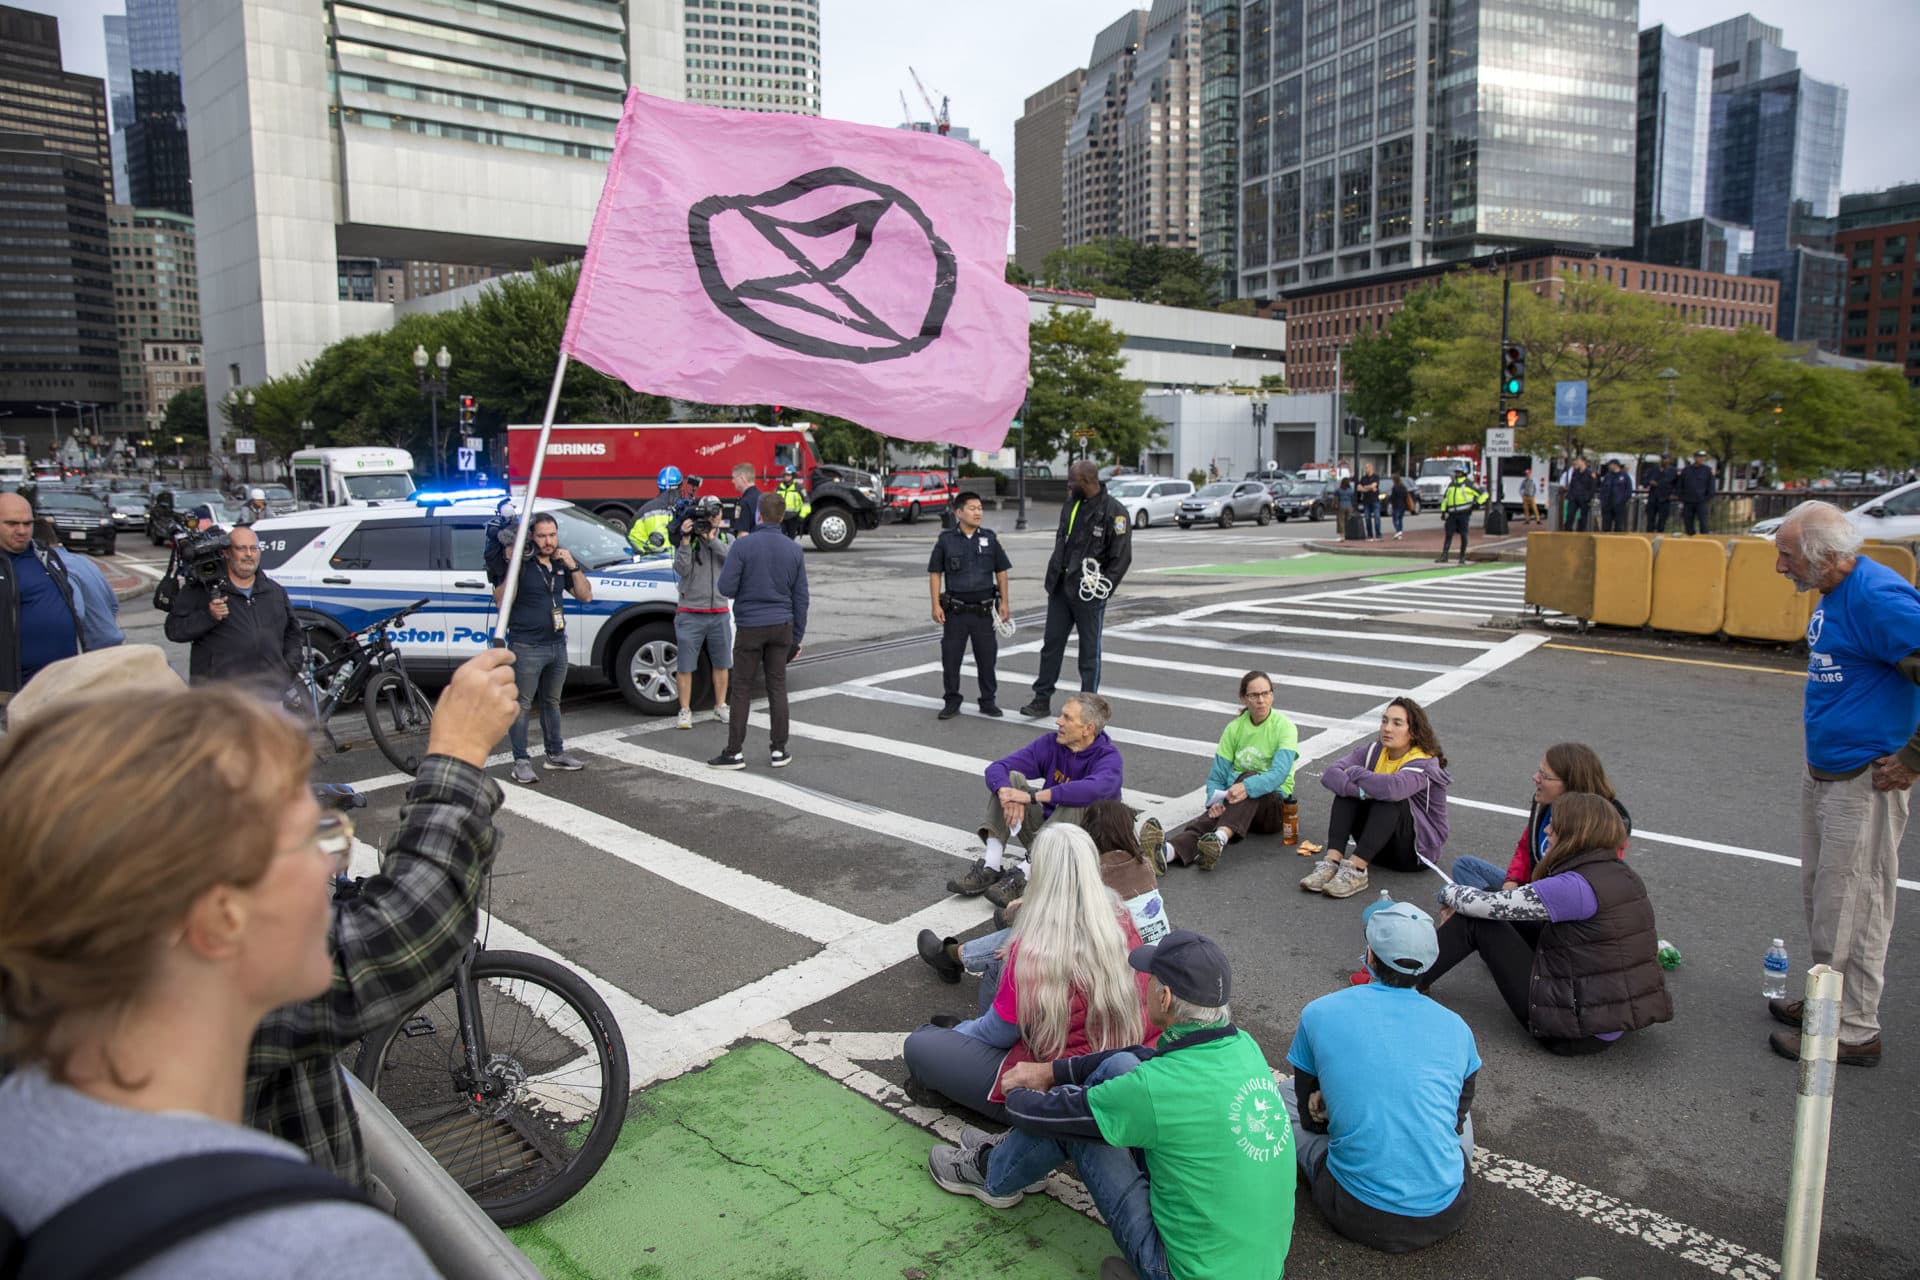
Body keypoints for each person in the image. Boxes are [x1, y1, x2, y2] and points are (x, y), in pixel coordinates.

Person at [0, 680, 440, 1276]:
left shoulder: (23, 1119)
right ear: (219, 918)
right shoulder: (322, 1253)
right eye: (309, 837)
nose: (334, 862)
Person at [933, 931, 1294, 1280]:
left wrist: (1017, 1087)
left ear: (1165, 997)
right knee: (1117, 1073)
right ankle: (1013, 1154)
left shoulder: (1158, 1088)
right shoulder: (1242, 1045)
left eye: (1149, 979)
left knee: (1079, 1126)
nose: (1144, 984)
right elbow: (1139, 1056)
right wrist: (1052, 1071)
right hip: (1259, 1268)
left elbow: (1042, 1113)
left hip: (1179, 1272)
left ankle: (993, 1174)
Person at [1768, 501, 1920, 1067]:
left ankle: (1852, 1029)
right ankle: (1827, 1002)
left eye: (1787, 555)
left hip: (1866, 779)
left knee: (1856, 902)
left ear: (1826, 557)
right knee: (1827, 899)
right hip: (1830, 772)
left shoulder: (1879, 598)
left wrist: (1913, 757)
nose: (1781, 567)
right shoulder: (1836, 593)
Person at [905, 824, 1158, 1126]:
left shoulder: (1035, 951)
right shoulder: (1119, 916)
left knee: (920, 1044)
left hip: (1055, 1084)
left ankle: (959, 1077)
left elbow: (995, 1033)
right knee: (998, 965)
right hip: (1124, 1056)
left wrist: (958, 1034)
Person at [1283, 900, 1479, 1252]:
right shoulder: (1458, 1029)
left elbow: (1313, 1118)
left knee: (1281, 1096)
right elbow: (1455, 1119)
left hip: (1357, 1210)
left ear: (1370, 955)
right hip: (1447, 1209)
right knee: (1453, 1113)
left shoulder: (1320, 1013)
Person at [1422, 793, 1673, 1055]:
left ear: (1575, 833)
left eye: (1554, 824)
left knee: (1475, 921)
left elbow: (1486, 906)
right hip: (1611, 1014)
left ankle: (1404, 980)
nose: (1546, 829)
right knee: (1505, 910)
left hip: (1573, 1030)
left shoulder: (1574, 886)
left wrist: (1446, 894)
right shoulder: (1621, 873)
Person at [920, 799, 1167, 1000]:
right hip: (1155, 968)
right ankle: (954, 957)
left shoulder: (1090, 874)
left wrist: (1017, 911)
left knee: (1022, 937)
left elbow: (1045, 918)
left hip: (1115, 974)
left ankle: (953, 956)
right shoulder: (1143, 865)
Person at [949, 692, 1124, 906]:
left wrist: (1031, 796)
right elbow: (998, 768)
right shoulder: (1052, 744)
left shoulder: (1108, 758)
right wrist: (1008, 794)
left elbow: (1093, 789)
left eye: (1067, 718)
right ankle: (991, 866)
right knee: (1009, 779)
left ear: (1087, 729)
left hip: (1083, 848)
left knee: (1076, 799)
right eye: (1061, 715)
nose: (1058, 721)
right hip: (1047, 837)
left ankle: (1027, 874)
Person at [1144, 670, 1298, 872]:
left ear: (1272, 695)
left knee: (1249, 778)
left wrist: (1245, 787)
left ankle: (1219, 839)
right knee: (1211, 815)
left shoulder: (1285, 727)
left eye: (1265, 693)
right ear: (1244, 698)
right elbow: (1217, 776)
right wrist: (1215, 801)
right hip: (1235, 802)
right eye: (1254, 695)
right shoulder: (1234, 728)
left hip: (1272, 808)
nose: (1261, 700)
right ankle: (1168, 852)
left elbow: (1279, 774)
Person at [1301, 697, 1451, 899]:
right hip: (1377, 847)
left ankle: (1356, 870)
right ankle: (1332, 861)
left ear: (1413, 731)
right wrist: (1361, 792)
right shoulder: (1374, 751)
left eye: (1397, 723)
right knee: (1347, 794)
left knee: (1390, 799)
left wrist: (1356, 772)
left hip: (1414, 854)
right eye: (1384, 721)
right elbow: (1330, 774)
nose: (1387, 728)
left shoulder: (1424, 763)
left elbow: (1392, 789)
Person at [1021, 460, 1131, 719]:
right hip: (1061, 588)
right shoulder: (1071, 504)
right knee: (1051, 646)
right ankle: (1041, 699)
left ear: (1086, 481)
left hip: (1088, 593)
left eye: (1072, 480)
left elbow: (1121, 558)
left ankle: (1087, 706)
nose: (1069, 485)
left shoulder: (1114, 512)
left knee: (1089, 653)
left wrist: (1102, 589)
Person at [490, 511, 590, 784]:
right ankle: (521, 761)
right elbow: (501, 601)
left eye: (552, 535)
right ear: (531, 537)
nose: (548, 541)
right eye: (542, 536)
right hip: (526, 645)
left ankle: (555, 754)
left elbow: (585, 595)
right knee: (522, 705)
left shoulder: (560, 563)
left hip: (557, 644)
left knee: (552, 702)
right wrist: (511, 565)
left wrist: (573, 565)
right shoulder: (522, 564)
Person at [711, 490, 808, 770]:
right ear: (781, 517)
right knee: (777, 687)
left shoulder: (743, 547)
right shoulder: (794, 549)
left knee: (740, 688)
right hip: (782, 626)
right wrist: (797, 637)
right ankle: (779, 750)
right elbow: (801, 598)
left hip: (750, 625)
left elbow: (726, 588)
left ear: (758, 515)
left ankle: (734, 752)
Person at [1450, 743, 1633, 891]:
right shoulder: (1549, 808)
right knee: (1464, 866)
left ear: (1571, 785)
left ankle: (1496, 918)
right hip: (1532, 887)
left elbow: (1572, 895)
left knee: (1460, 903)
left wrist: (1512, 905)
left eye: (1544, 775)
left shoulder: (1596, 833)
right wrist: (1512, 880)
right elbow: (1525, 847)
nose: (1535, 777)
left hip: (1550, 906)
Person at [164, 524, 305, 688]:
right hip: (221, 699)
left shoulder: (274, 591)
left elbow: (293, 635)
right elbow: (174, 630)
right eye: (241, 548)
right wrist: (208, 616)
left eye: (253, 548)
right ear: (226, 553)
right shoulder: (202, 589)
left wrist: (287, 670)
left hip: (269, 694)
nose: (248, 554)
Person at [930, 491, 1012, 720]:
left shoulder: (989, 537)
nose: (978, 512)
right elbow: (935, 572)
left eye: (980, 508)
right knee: (951, 658)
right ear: (959, 512)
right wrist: (935, 604)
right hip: (955, 612)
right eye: (972, 508)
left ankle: (988, 701)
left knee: (987, 658)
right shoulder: (946, 540)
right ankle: (952, 700)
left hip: (984, 612)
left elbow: (1001, 571)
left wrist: (1005, 602)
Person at [0, 491, 84, 700]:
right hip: (15, 693)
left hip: (64, 683)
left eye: (27, 524)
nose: (22, 530)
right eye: (12, 524)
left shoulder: (45, 555)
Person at [672, 497, 733, 730]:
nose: (710, 518)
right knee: (686, 664)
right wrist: (686, 540)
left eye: (715, 512)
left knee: (722, 662)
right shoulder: (690, 538)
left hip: (719, 610)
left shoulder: (727, 537)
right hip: (690, 611)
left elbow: (731, 560)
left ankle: (720, 705)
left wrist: (711, 539)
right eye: (706, 513)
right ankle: (685, 709)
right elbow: (681, 569)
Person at [31, 515, 121, 652]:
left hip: (92, 653)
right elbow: (113, 604)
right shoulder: (83, 561)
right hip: (113, 642)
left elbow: (76, 613)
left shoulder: (59, 568)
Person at [627, 464, 685, 553]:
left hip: (656, 564)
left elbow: (632, 541)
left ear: (659, 486)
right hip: (684, 563)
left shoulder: (644, 512)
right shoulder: (687, 510)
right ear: (681, 486)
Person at [1435, 464, 1486, 564]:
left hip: (1464, 514)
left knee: (1463, 535)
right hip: (1452, 515)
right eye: (1456, 472)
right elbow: (1446, 498)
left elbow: (1484, 494)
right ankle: (1444, 556)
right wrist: (1443, 511)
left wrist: (1477, 504)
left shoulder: (1469, 483)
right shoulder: (1452, 484)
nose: (1457, 474)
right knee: (1448, 535)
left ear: (1463, 473)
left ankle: (1462, 557)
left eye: (1459, 472)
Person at [1679, 450, 1715, 536]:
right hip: (1688, 501)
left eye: (1703, 457)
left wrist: (1707, 497)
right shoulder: (1686, 470)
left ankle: (1704, 541)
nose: (1702, 459)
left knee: (1703, 523)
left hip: (1701, 501)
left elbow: (1711, 486)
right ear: (1695, 458)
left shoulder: (1708, 471)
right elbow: (1680, 485)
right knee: (1688, 523)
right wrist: (1682, 497)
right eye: (1699, 457)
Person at [1646, 455, 1679, 533]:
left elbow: (1677, 484)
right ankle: (1649, 534)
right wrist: (1650, 482)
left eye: (1667, 459)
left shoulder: (1673, 471)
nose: (1665, 461)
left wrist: (1675, 494)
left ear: (1670, 460)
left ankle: (1660, 534)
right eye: (1663, 459)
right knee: (1650, 519)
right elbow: (1646, 480)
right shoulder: (1654, 469)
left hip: (1665, 498)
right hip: (1653, 497)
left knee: (1662, 520)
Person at [1561, 456, 1595, 531]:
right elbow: (1572, 484)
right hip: (1574, 497)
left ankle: (1581, 532)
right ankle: (1568, 531)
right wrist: (1569, 495)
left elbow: (1593, 487)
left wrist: (1588, 497)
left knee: (1583, 517)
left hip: (1584, 498)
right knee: (1570, 515)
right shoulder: (1575, 472)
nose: (1577, 462)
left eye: (1578, 460)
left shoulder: (1590, 473)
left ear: (1583, 461)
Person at [776, 466, 809, 539]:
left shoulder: (799, 488)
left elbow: (807, 504)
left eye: (788, 475)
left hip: (794, 518)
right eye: (785, 475)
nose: (786, 477)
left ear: (793, 476)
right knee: (781, 538)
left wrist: (802, 516)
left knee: (791, 539)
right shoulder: (779, 488)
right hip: (781, 518)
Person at [1599, 459, 1633, 532]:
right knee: (1606, 526)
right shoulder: (1608, 476)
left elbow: (1628, 490)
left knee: (1619, 526)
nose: (1608, 466)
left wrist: (1622, 501)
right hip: (1607, 505)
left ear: (1615, 465)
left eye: (1610, 465)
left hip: (1619, 506)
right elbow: (1603, 489)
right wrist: (1603, 500)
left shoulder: (1625, 476)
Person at [730, 461, 761, 537]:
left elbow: (742, 535)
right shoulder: (764, 498)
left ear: (742, 478)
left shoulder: (743, 503)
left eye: (734, 478)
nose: (732, 481)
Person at [1357, 465, 1381, 540]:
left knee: (1377, 517)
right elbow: (1358, 488)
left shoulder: (1376, 477)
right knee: (1367, 518)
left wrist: (1364, 487)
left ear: (1371, 468)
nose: (1365, 469)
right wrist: (1369, 488)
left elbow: (1374, 485)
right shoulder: (1363, 478)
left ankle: (1378, 535)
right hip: (1366, 501)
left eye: (1366, 468)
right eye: (1365, 468)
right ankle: (1370, 535)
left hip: (1375, 500)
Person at [1389, 472, 1412, 540]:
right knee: (1400, 520)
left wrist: (1390, 500)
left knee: (1395, 520)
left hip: (1396, 506)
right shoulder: (1403, 487)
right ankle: (1399, 534)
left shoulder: (1394, 488)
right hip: (1403, 505)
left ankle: (1398, 531)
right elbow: (1405, 496)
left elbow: (1392, 497)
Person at [1335, 476, 1356, 540]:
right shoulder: (1351, 490)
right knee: (1348, 520)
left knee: (1341, 521)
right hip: (1349, 506)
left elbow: (1336, 498)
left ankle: (1342, 536)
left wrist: (1336, 505)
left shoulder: (1339, 490)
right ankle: (1349, 534)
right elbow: (1353, 499)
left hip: (1341, 506)